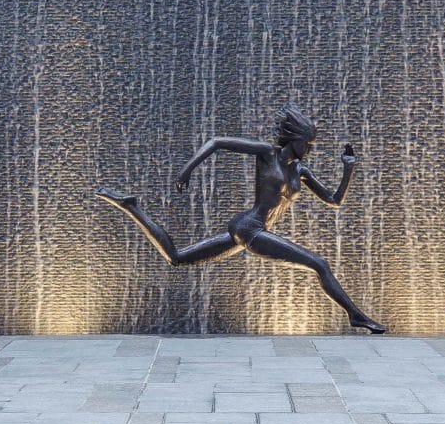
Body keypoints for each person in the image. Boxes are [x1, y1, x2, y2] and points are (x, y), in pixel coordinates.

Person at [94, 102, 386, 334]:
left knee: (176, 257)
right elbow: (218, 142)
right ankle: (356, 316)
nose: (309, 149)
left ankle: (131, 206)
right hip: (249, 228)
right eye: (307, 144)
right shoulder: (267, 154)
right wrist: (187, 170)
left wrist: (348, 169)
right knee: (319, 264)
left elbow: (334, 201)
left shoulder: (301, 172)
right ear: (294, 140)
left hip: (250, 231)